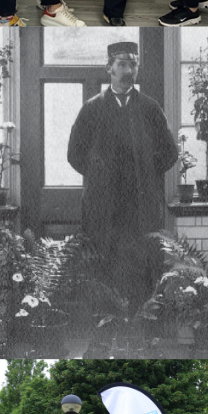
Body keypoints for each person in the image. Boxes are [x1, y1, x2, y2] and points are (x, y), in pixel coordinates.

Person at [66, 42, 179, 310]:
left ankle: (141, 337)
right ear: (109, 68)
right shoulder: (91, 110)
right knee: (104, 274)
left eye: (134, 64)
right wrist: (100, 176)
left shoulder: (150, 109)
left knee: (142, 272)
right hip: (104, 211)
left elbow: (170, 152)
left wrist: (145, 173)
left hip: (140, 210)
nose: (130, 70)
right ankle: (104, 339)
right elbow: (75, 154)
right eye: (123, 64)